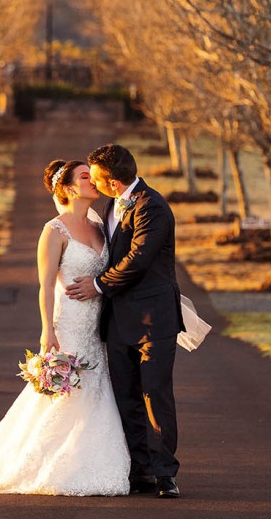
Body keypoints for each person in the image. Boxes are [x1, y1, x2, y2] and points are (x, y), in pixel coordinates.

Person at [0, 159, 130, 496]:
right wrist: (48, 330)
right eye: (84, 177)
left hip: (98, 325)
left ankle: (87, 458)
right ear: (67, 188)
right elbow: (46, 285)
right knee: (66, 391)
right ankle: (43, 463)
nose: (93, 181)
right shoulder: (54, 230)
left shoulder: (100, 226)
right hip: (70, 322)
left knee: (96, 387)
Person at [65, 144, 185, 499]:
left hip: (153, 320)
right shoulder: (109, 205)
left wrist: (99, 284)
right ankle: (139, 470)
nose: (94, 183)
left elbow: (138, 259)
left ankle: (165, 474)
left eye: (97, 179)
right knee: (126, 397)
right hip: (117, 321)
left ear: (114, 183)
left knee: (155, 395)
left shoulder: (154, 207)